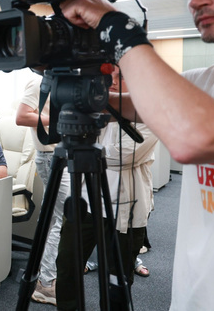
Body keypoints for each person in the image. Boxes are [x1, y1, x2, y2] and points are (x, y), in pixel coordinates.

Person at [58, 0, 214, 310]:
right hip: (195, 294)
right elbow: (136, 103)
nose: (195, 1)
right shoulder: (209, 79)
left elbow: (195, 138)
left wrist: (118, 28)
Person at [54, 66, 158, 310]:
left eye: (121, 76)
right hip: (85, 203)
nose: (112, 81)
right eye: (109, 75)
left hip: (125, 210)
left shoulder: (149, 109)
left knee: (117, 279)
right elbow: (69, 139)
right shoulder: (90, 106)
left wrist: (86, 145)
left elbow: (126, 155)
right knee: (67, 267)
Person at [15, 73, 68, 306]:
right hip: (51, 157)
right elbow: (21, 116)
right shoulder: (39, 82)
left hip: (62, 155)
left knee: (52, 220)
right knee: (59, 221)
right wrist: (57, 120)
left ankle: (41, 273)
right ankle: (46, 284)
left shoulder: (63, 82)